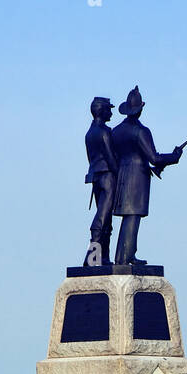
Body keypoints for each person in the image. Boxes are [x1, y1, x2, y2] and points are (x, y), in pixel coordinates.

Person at [110, 86, 182, 266]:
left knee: (129, 217)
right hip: (137, 178)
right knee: (133, 216)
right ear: (140, 108)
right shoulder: (141, 131)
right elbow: (154, 158)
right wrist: (174, 157)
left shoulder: (116, 131)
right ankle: (125, 258)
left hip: (122, 176)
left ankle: (124, 256)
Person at [83, 96, 118, 266]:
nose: (111, 112)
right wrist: (120, 176)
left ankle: (102, 257)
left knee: (106, 219)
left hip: (96, 176)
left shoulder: (89, 133)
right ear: (101, 111)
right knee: (102, 217)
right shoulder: (104, 132)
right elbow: (111, 158)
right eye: (108, 109)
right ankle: (92, 257)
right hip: (107, 176)